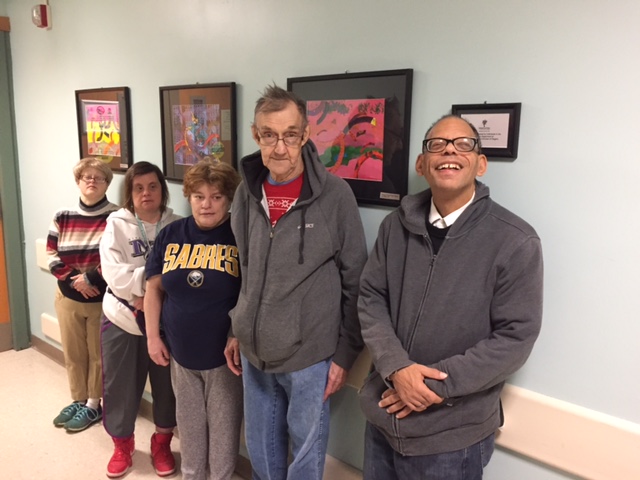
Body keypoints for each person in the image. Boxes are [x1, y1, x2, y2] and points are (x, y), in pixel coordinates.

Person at [358, 115, 544, 479]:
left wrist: (426, 386)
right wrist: (396, 368)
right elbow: (371, 297)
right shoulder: (394, 227)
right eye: (437, 144)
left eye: (463, 145)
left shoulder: (515, 240)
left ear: (481, 164)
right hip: (384, 416)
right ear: (421, 163)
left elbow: (515, 338)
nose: (449, 151)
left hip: (451, 437)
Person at [224, 85, 368, 480]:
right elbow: (246, 270)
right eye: (269, 135)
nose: (280, 148)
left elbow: (356, 280)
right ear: (256, 135)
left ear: (305, 135)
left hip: (310, 356)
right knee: (260, 450)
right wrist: (237, 326)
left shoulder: (335, 196)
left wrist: (344, 355)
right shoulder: (246, 193)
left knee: (305, 457)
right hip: (254, 353)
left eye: (290, 135)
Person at [146, 159, 244, 480]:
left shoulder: (240, 236)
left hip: (224, 360)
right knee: (189, 431)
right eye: (199, 196)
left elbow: (252, 292)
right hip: (181, 354)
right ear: (188, 197)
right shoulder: (172, 234)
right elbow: (154, 289)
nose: (206, 204)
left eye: (216, 197)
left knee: (223, 438)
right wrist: (153, 337)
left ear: (229, 199)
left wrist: (238, 333)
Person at [99, 161, 180, 478]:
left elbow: (183, 272)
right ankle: (122, 445)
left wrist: (150, 289)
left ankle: (162, 443)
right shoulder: (116, 225)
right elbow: (113, 272)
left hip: (166, 322)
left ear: (163, 189)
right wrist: (153, 286)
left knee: (167, 387)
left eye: (153, 186)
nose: (146, 193)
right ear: (130, 193)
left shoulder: (178, 225)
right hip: (123, 319)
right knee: (119, 387)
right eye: (139, 188)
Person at [47, 158, 117, 432]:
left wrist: (91, 279)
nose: (92, 181)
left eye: (99, 178)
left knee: (98, 354)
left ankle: (93, 404)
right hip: (68, 297)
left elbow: (117, 257)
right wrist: (76, 282)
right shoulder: (62, 215)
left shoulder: (116, 216)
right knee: (74, 352)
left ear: (107, 184)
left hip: (101, 297)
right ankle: (77, 400)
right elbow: (52, 253)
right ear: (78, 181)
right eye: (86, 177)